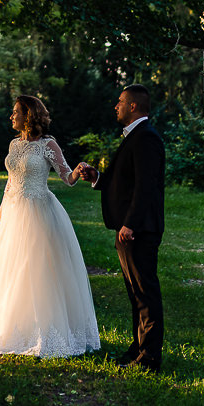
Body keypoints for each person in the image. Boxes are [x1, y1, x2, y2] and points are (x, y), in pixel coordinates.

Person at [0, 95, 100, 357]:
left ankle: (44, 329)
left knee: (38, 270)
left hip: (40, 212)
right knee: (11, 271)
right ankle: (12, 325)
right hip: (13, 212)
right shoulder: (13, 144)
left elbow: (67, 177)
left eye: (15, 112)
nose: (11, 117)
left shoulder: (48, 144)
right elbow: (11, 180)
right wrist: (2, 210)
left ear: (29, 115)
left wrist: (79, 171)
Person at [79, 84, 165, 373]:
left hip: (139, 230)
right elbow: (125, 182)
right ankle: (138, 348)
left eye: (120, 102)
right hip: (129, 229)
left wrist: (131, 223)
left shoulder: (146, 138)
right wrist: (97, 177)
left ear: (132, 106)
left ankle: (150, 357)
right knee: (135, 293)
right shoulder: (134, 137)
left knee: (145, 293)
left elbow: (145, 187)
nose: (115, 106)